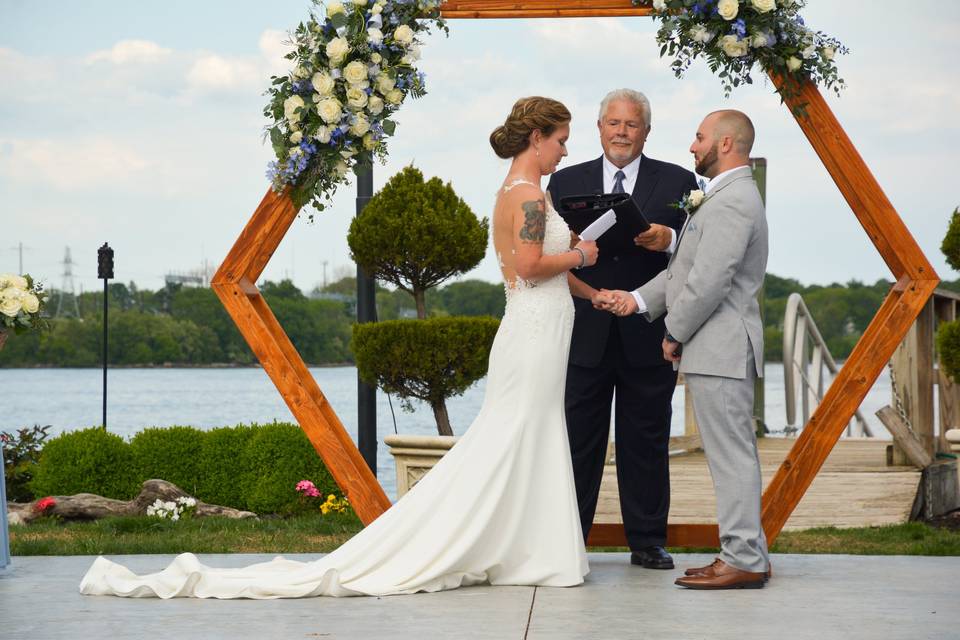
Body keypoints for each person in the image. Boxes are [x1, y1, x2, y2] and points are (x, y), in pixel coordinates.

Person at [78, 96, 599, 599]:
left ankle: (527, 549)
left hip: (540, 328)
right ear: (537, 137)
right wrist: (579, 253)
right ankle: (513, 549)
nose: (565, 152)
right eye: (561, 140)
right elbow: (530, 269)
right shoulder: (528, 196)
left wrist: (594, 289)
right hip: (533, 331)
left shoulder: (524, 191)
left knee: (528, 434)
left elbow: (539, 268)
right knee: (516, 435)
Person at [599, 109, 771, 589]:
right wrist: (635, 301)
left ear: (727, 144)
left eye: (699, 138)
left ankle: (742, 559)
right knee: (732, 455)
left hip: (721, 347)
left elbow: (709, 281)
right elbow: (681, 273)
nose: (692, 147)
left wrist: (673, 333)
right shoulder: (723, 196)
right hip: (717, 348)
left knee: (731, 458)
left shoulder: (732, 200)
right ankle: (749, 551)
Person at [546, 89, 698, 570]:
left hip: (648, 331)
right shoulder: (564, 179)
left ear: (646, 131)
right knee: (576, 442)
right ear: (599, 127)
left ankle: (648, 542)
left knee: (647, 442)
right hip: (582, 331)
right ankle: (568, 539)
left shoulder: (678, 179)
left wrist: (667, 238)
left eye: (631, 125)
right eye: (613, 123)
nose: (621, 133)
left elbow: (696, 250)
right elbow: (551, 248)